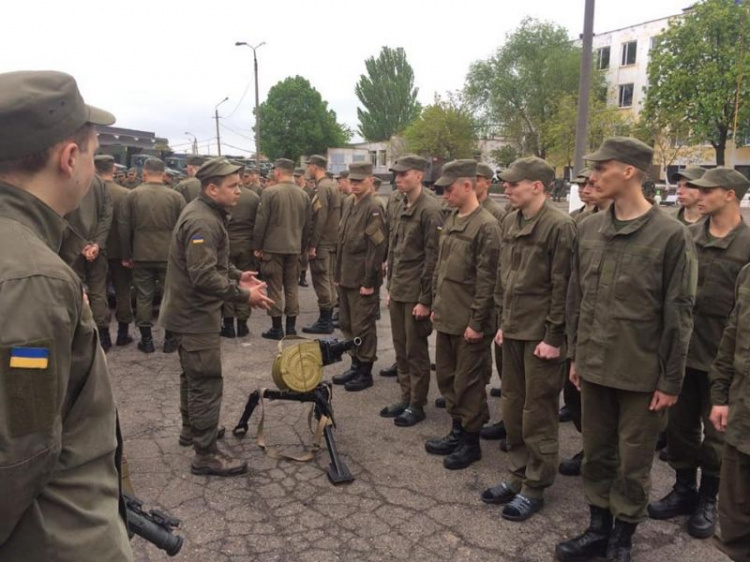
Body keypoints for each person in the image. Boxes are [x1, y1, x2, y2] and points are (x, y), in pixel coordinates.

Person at [0, 69, 132, 561]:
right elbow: (20, 453)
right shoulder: (31, 278)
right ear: (70, 157)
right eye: (93, 157)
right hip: (53, 539)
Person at [556, 137, 696, 562]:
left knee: (633, 464)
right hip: (595, 366)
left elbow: (680, 313)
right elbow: (577, 298)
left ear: (630, 172)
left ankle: (623, 538)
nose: (593, 177)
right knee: (596, 455)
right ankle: (598, 528)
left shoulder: (670, 235)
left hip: (640, 375)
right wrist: (577, 355)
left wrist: (671, 380)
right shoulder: (590, 228)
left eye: (602, 168)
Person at [648, 168, 750, 540]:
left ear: (730, 194)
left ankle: (709, 497)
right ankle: (683, 489)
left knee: (718, 436)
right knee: (679, 428)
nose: (697, 194)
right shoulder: (686, 236)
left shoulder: (747, 245)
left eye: (708, 190)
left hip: (724, 360)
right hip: (683, 353)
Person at [162, 157, 273, 476]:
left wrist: (238, 276)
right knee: (205, 382)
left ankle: (193, 431)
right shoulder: (203, 221)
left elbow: (210, 264)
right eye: (233, 186)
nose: (240, 191)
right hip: (194, 316)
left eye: (240, 184)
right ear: (212, 188)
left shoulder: (207, 213)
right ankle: (205, 454)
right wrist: (244, 295)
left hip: (189, 313)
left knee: (192, 378)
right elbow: (203, 277)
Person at [481, 157, 575, 521]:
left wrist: (554, 336)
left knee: (538, 412)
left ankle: (535, 484)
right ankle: (517, 475)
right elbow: (506, 278)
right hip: (516, 329)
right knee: (513, 407)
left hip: (541, 337)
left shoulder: (559, 225)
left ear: (537, 186)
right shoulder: (512, 220)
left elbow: (562, 286)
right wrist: (504, 321)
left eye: (513, 183)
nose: (506, 188)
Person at [425, 159, 500, 470]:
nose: (445, 194)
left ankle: (471, 442)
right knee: (448, 378)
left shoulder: (487, 226)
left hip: (469, 322)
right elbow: (441, 270)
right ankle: (456, 431)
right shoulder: (453, 219)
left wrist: (477, 323)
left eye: (449, 188)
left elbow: (488, 281)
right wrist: (434, 305)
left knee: (469, 384)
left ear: (468, 186)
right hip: (448, 316)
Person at [379, 155, 443, 426]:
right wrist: (391, 287)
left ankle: (417, 403)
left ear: (418, 175)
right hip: (400, 289)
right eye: (396, 175)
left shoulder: (429, 209)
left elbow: (433, 258)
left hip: (416, 292)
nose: (398, 180)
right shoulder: (401, 204)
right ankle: (406, 397)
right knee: (401, 348)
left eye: (403, 175)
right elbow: (394, 250)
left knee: (416, 352)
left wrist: (426, 300)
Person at [331, 162, 387, 392]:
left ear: (370, 181)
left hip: (362, 279)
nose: (354, 185)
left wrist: (369, 282)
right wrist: (337, 274)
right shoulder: (348, 202)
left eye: (359, 181)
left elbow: (376, 249)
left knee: (363, 326)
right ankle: (355, 363)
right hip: (346, 275)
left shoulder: (374, 207)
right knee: (346, 323)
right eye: (352, 180)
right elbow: (342, 242)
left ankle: (365, 371)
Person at [120, 157, 185, 353]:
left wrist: (126, 254)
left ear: (145, 173)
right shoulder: (175, 197)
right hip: (169, 255)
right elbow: (183, 228)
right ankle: (170, 340)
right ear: (164, 174)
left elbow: (124, 227)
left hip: (141, 253)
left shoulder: (132, 195)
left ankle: (147, 341)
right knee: (170, 296)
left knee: (143, 296)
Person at [708, 264, 750, 562]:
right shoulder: (748, 274)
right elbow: (731, 338)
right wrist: (720, 396)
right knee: (735, 512)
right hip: (742, 412)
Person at [253, 159, 311, 339]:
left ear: (277, 172)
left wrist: (257, 246)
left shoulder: (269, 192)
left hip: (273, 248)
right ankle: (292, 328)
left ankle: (277, 328)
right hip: (294, 248)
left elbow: (261, 222)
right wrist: (302, 247)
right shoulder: (304, 195)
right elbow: (308, 225)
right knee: (292, 287)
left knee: (275, 287)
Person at [59, 158, 113, 349]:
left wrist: (80, 245)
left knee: (74, 291)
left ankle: (81, 337)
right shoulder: (100, 183)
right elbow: (107, 216)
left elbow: (60, 215)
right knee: (99, 292)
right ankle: (104, 336)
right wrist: (97, 244)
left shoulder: (64, 180)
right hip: (96, 249)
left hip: (71, 248)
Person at [476, 162, 508, 436]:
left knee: (497, 358)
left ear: (486, 182)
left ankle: (508, 421)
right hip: (482, 296)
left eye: (476, 179)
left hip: (496, 299)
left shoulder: (496, 214)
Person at [96, 154, 135, 346]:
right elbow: (127, 226)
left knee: (99, 292)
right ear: (113, 170)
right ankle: (123, 333)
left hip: (96, 251)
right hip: (120, 251)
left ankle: (103, 335)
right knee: (123, 292)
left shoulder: (88, 193)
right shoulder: (124, 194)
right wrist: (128, 253)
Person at [221, 166, 260, 339]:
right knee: (245, 282)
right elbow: (258, 223)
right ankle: (242, 324)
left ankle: (228, 324)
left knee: (228, 280)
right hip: (246, 244)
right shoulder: (253, 197)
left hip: (227, 243)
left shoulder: (223, 197)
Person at [293, 167, 313, 288]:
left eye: (298, 177)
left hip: (305, 224)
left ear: (303, 177)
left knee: (304, 254)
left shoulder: (309, 191)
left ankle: (303, 276)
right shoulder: (294, 190)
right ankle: (295, 275)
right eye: (295, 177)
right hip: (296, 224)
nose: (296, 179)